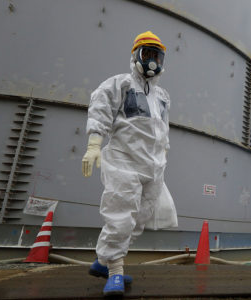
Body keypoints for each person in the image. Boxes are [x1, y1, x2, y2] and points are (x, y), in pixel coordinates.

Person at [81, 31, 171, 296]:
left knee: (139, 219)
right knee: (120, 217)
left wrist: (164, 155)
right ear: (136, 55)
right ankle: (115, 271)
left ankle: (102, 262)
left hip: (153, 166)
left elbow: (163, 129)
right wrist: (94, 145)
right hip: (124, 162)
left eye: (157, 55)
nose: (152, 61)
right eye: (148, 54)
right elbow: (100, 111)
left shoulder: (163, 96)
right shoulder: (118, 84)